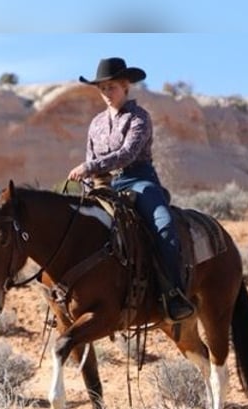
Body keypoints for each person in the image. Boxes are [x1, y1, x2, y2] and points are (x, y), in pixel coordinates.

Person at [67, 56, 195, 322]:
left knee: (164, 225)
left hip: (138, 179)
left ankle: (173, 294)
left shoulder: (140, 117)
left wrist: (89, 166)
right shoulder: (96, 124)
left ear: (126, 86)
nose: (106, 93)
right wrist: (89, 183)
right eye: (102, 88)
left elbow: (127, 154)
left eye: (111, 87)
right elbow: (90, 156)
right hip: (102, 185)